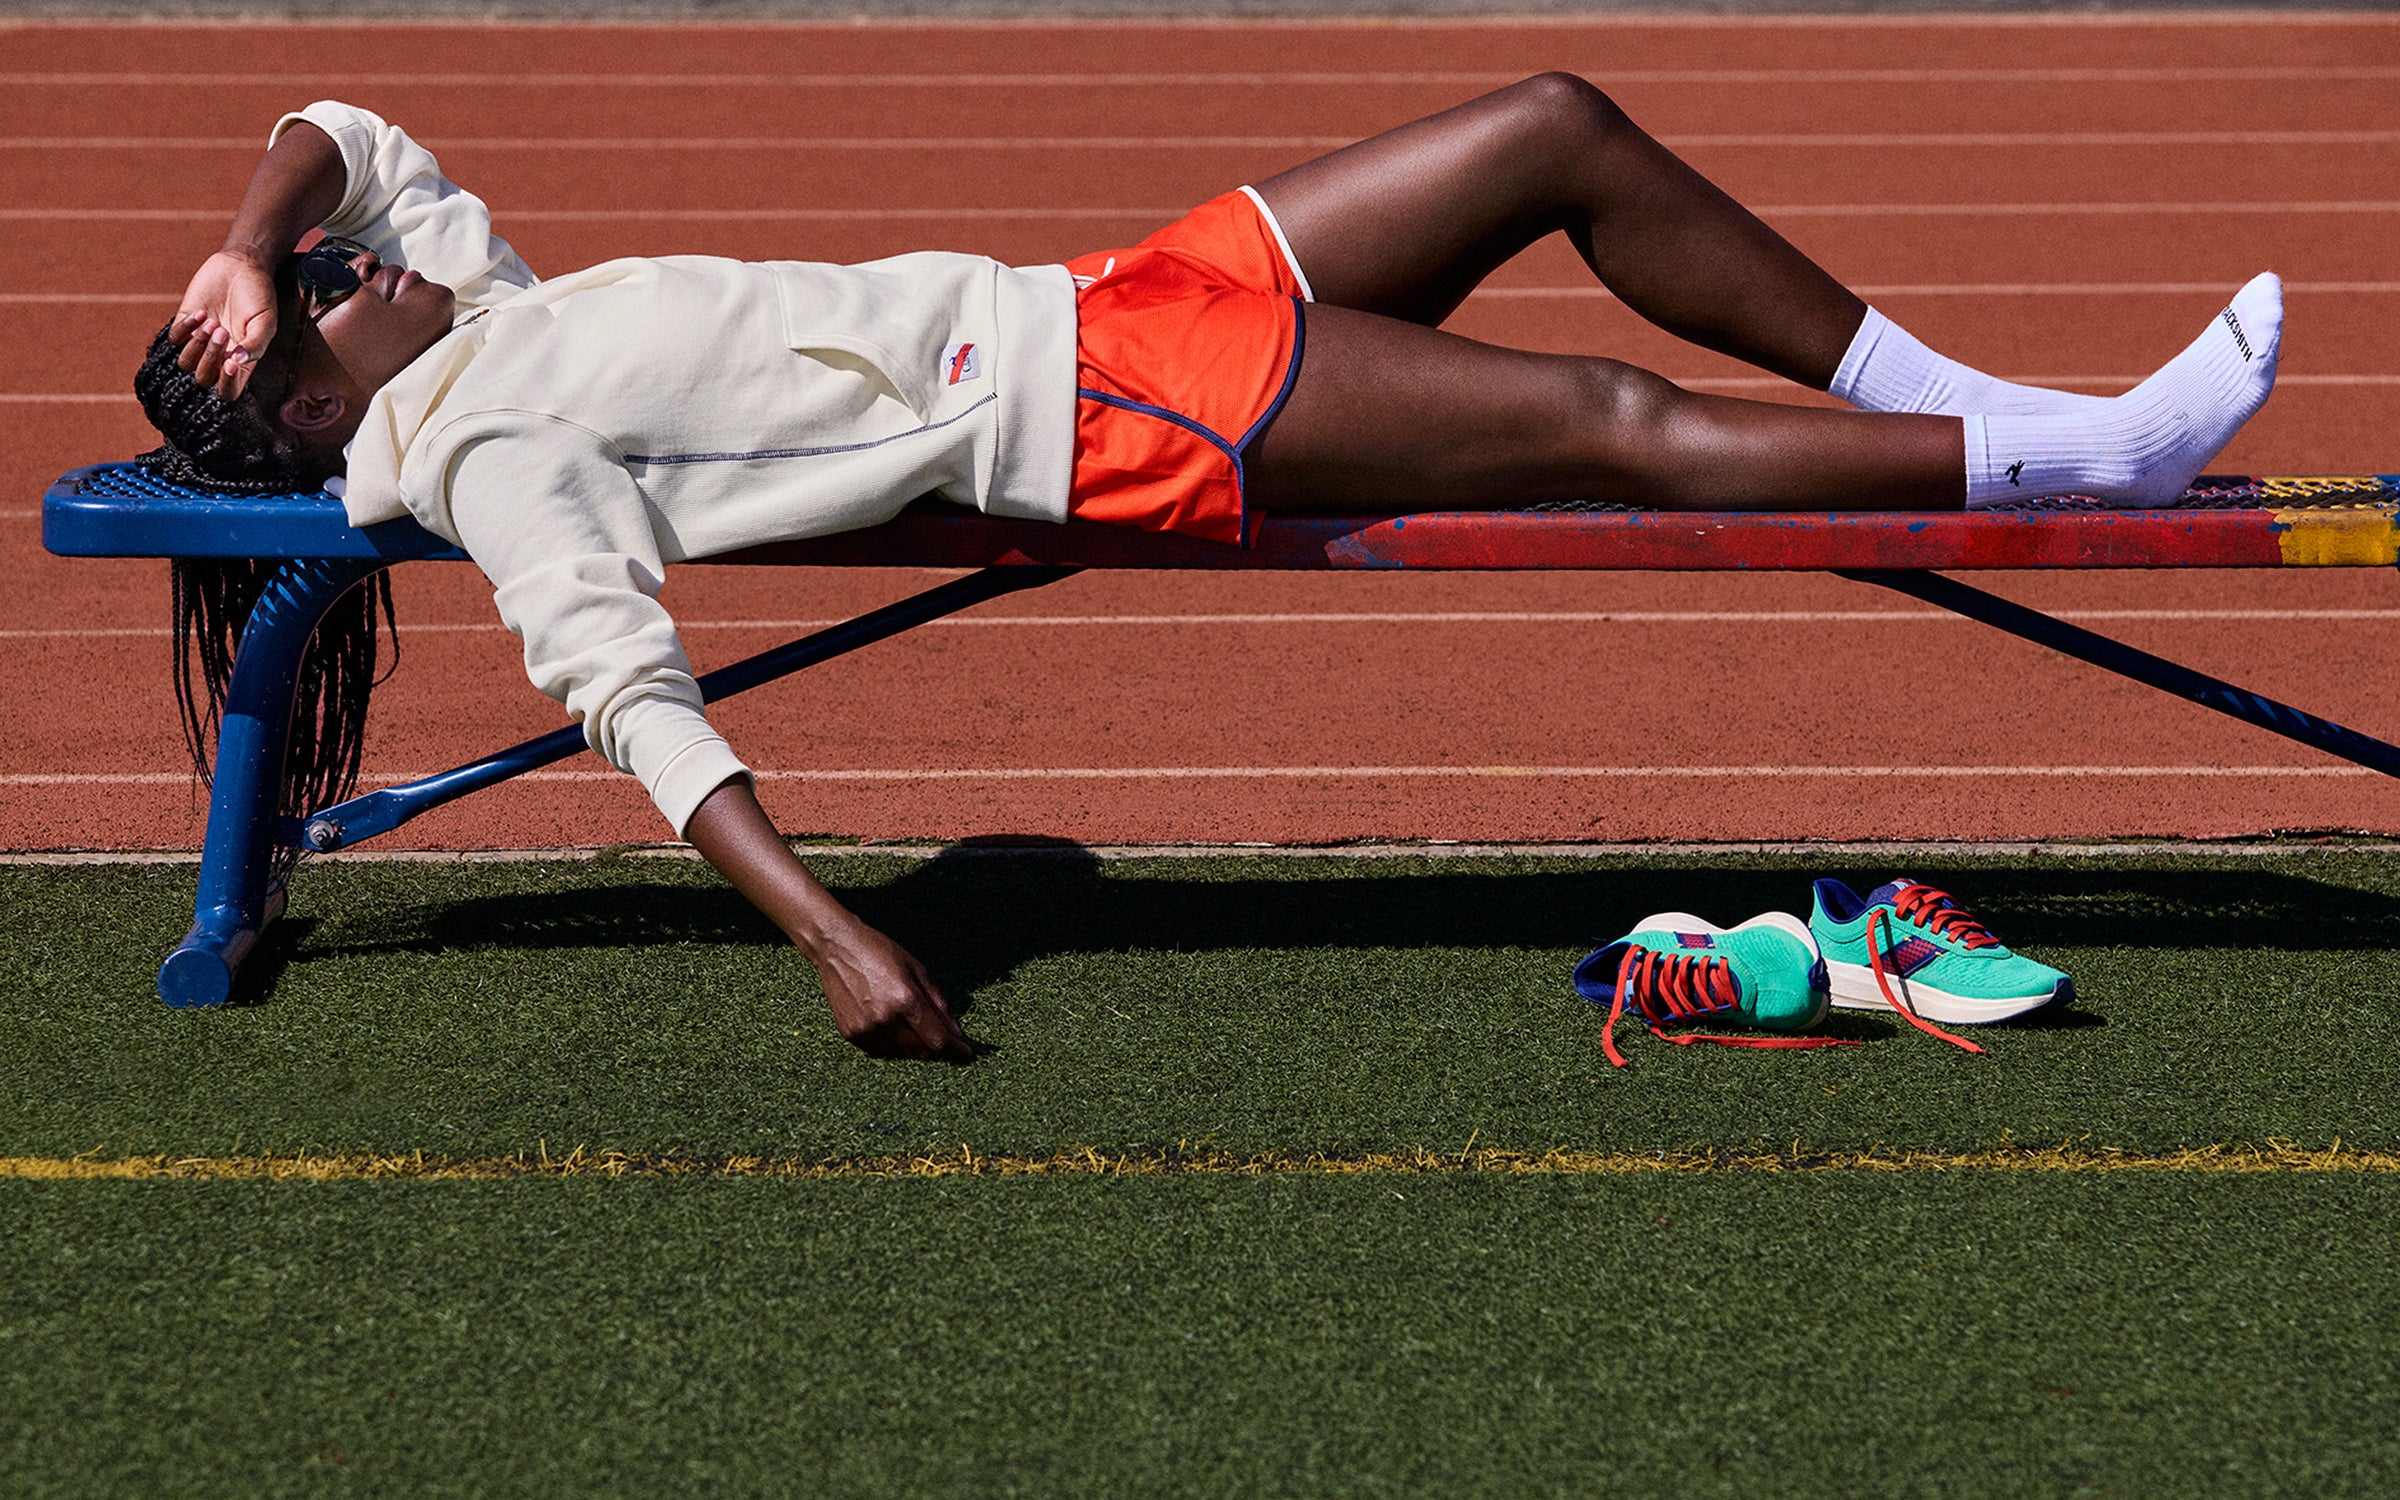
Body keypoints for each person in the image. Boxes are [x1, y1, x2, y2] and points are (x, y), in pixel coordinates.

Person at [137, 77, 2281, 1062]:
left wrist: (244, 249)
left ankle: (2006, 412)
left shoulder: (473, 312)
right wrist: (833, 939)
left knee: (1557, 125)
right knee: (1596, 419)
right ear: (327, 408)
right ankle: (2074, 460)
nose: (347, 263)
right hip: (1097, 412)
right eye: (322, 294)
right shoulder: (488, 434)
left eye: (315, 268)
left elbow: (349, 124)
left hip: (1108, 294)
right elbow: (622, 681)